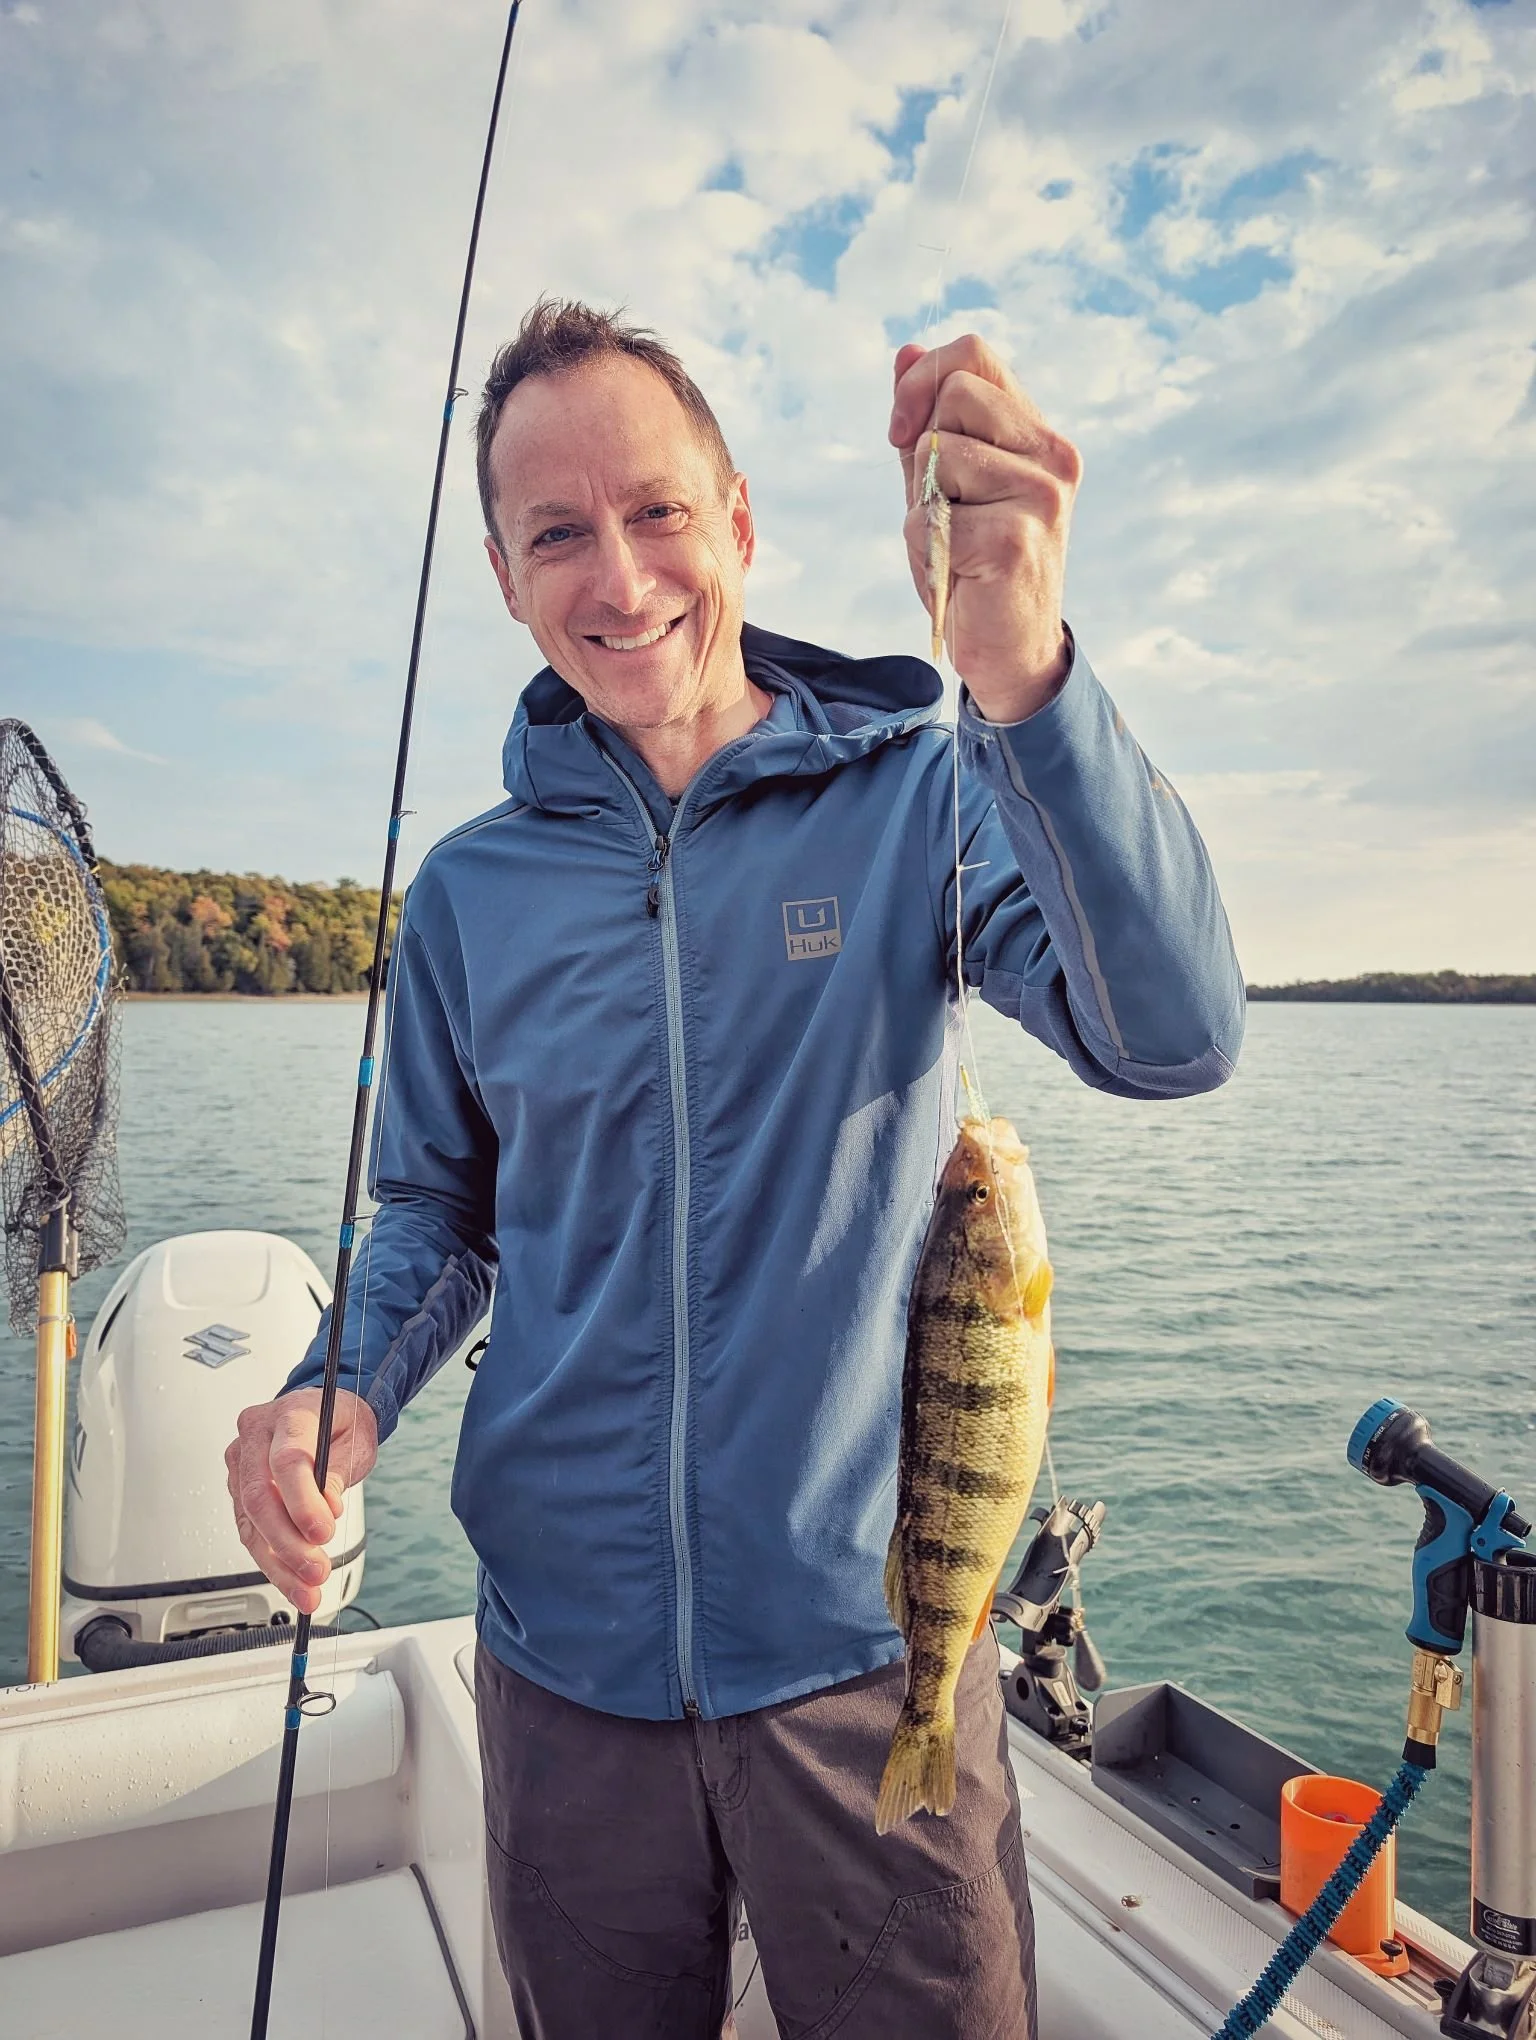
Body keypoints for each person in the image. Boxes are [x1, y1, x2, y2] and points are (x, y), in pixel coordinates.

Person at [227, 298, 1244, 2039]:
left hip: (872, 1671)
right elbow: (435, 1219)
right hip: (564, 1688)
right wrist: (343, 1392)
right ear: (502, 574)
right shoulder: (469, 898)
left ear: (744, 523)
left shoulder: (920, 798)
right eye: (558, 534)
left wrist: (1026, 673)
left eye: (658, 514)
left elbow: (1167, 1035)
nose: (618, 581)